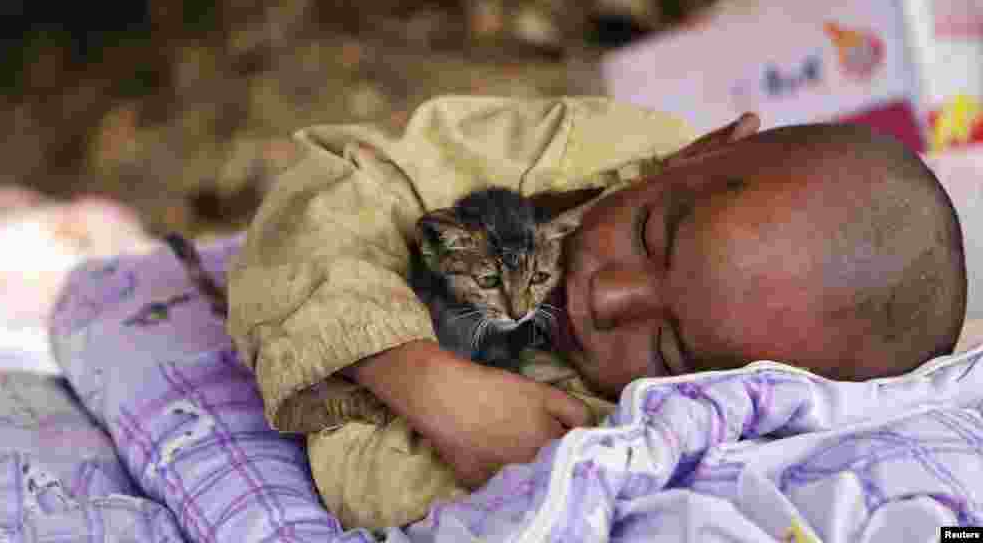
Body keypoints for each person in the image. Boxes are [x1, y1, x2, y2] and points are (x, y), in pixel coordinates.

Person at [225, 96, 967, 529]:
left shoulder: (614, 441)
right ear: (700, 152)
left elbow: (372, 485)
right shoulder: (601, 149)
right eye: (649, 233)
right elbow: (341, 181)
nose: (607, 298)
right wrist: (415, 374)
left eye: (670, 352)